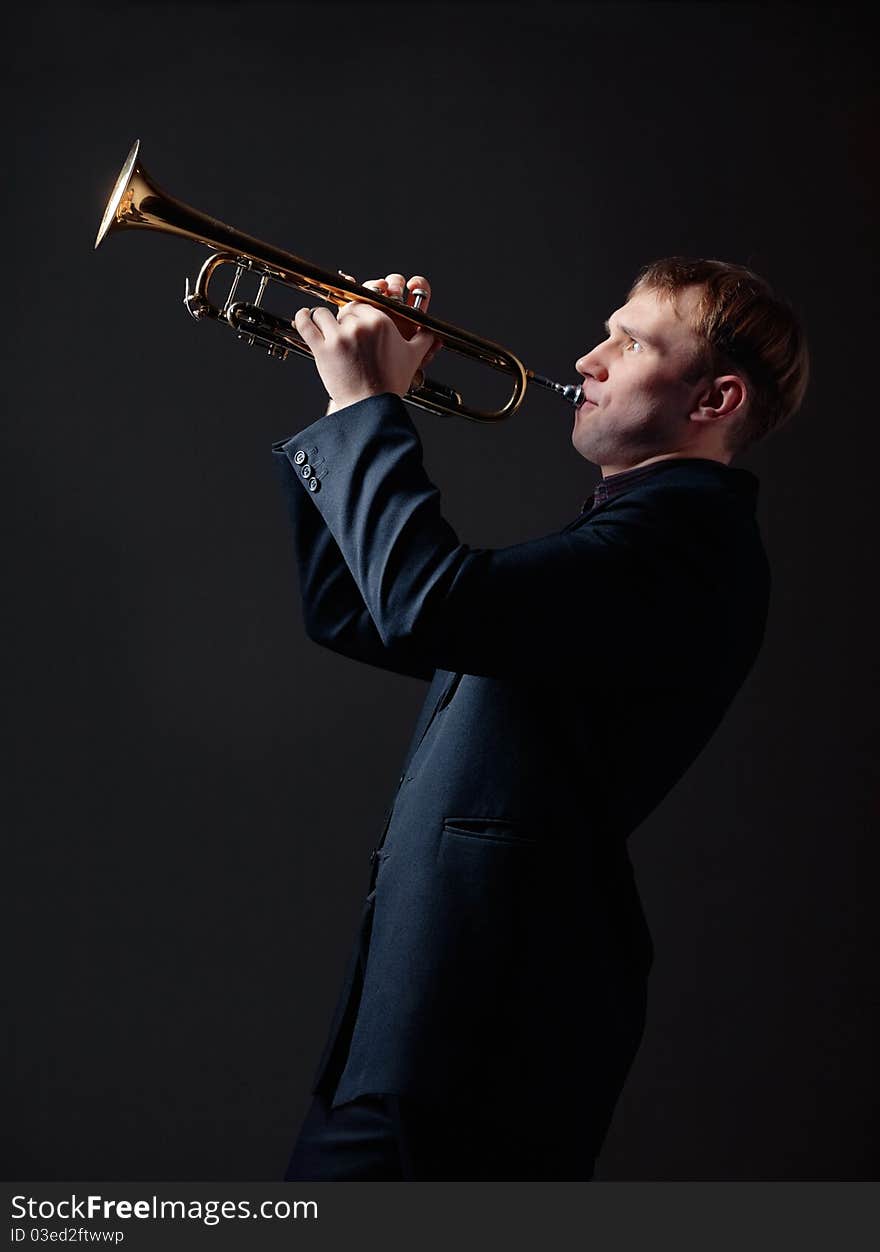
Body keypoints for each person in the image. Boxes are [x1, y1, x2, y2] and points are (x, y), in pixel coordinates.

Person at [272, 258, 809, 1181]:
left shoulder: (682, 543)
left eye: (632, 341)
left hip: (488, 1020)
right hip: (435, 1014)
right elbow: (351, 612)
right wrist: (342, 411)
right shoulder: (632, 532)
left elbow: (424, 602)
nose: (589, 359)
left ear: (717, 398)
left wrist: (372, 405)